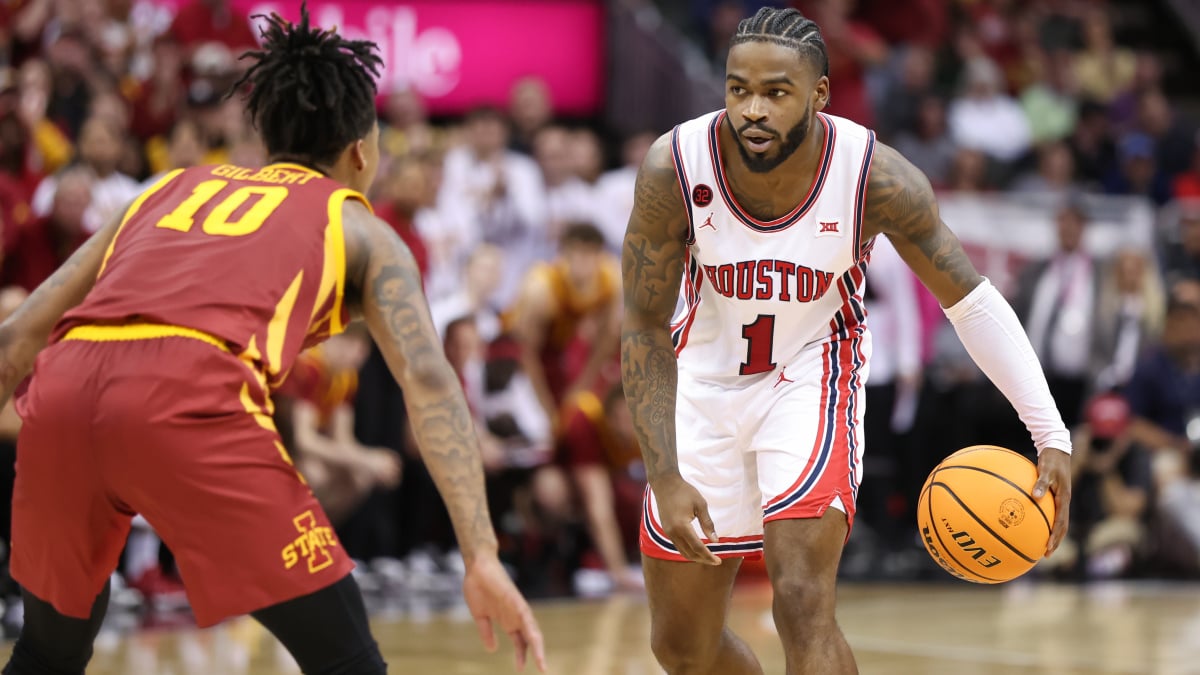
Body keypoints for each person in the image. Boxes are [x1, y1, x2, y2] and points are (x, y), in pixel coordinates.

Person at [0, 6, 544, 675]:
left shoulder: (165, 189)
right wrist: (482, 553)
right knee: (346, 658)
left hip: (61, 393)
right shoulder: (361, 228)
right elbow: (429, 382)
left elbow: (19, 336)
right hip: (183, 392)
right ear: (362, 151)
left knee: (48, 651)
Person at [620, 7, 1072, 674]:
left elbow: (970, 301)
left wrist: (1050, 433)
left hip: (812, 375)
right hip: (705, 383)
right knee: (682, 646)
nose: (753, 109)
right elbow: (643, 325)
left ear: (819, 94)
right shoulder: (675, 166)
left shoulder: (876, 178)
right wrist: (662, 470)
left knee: (801, 598)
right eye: (738, 89)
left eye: (776, 92)